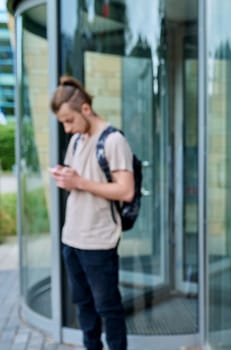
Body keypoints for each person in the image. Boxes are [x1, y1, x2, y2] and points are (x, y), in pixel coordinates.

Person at [49, 76, 133, 350]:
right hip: (71, 238)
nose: (67, 128)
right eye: (62, 122)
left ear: (85, 109)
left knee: (108, 309)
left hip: (99, 241)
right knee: (84, 308)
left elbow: (126, 191)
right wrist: (66, 178)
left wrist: (79, 182)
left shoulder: (113, 140)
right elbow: (79, 180)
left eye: (68, 120)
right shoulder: (76, 140)